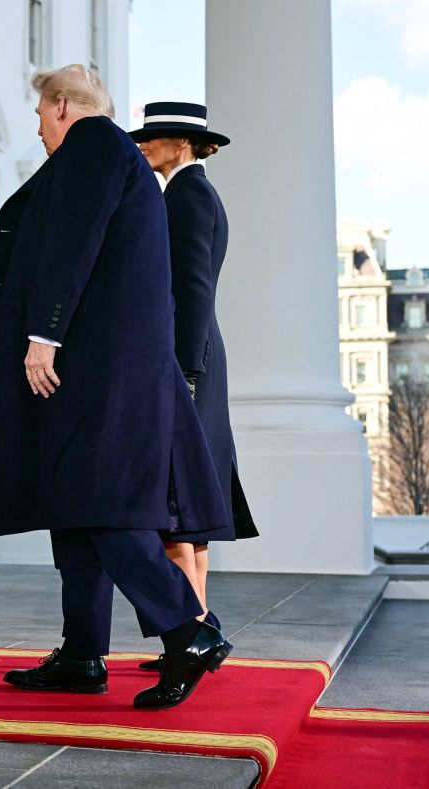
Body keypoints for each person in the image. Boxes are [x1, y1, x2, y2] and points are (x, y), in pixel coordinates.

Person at [0, 65, 232, 710]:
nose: (40, 129)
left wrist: (43, 336)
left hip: (102, 373)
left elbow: (73, 247)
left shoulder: (95, 141)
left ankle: (190, 632)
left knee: (105, 509)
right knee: (75, 511)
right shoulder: (101, 157)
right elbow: (51, 266)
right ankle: (81, 653)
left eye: (42, 116)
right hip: (95, 370)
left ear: (63, 105)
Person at [129, 102, 259, 669]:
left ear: (181, 143)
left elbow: (194, 289)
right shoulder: (184, 193)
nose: (142, 146)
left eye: (151, 138)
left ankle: (194, 634)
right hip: (198, 358)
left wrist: (183, 370)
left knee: (176, 505)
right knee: (190, 510)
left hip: (188, 361)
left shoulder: (188, 195)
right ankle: (202, 625)